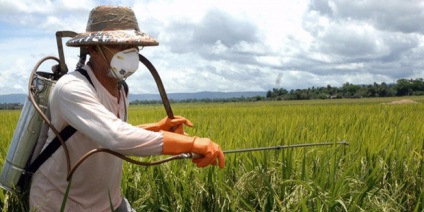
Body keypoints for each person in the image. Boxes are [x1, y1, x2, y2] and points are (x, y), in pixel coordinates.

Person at [29, 5, 225, 211]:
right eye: (120, 45)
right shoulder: (72, 88)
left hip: (108, 202)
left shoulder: (120, 88)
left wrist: (158, 128)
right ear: (93, 49)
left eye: (132, 44)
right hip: (61, 204)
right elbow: (117, 137)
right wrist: (191, 143)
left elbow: (109, 132)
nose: (129, 52)